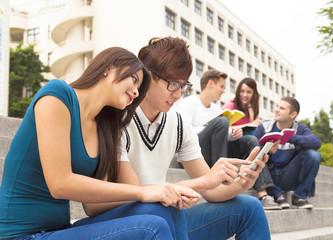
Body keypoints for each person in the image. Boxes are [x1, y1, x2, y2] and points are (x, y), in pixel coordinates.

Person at [0, 47, 201, 240]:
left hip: (60, 230)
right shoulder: (58, 95)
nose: (137, 92)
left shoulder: (105, 129)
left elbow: (94, 205)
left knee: (165, 209)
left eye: (140, 88)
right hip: (21, 234)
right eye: (134, 79)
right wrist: (142, 191)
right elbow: (59, 184)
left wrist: (160, 193)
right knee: (151, 228)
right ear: (109, 68)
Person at [118, 37, 271, 240]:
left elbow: (212, 191)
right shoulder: (120, 119)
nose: (178, 94)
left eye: (184, 86)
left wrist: (242, 183)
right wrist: (199, 183)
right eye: (173, 84)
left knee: (249, 206)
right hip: (128, 221)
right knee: (166, 212)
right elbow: (123, 196)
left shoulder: (178, 123)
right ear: (147, 76)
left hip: (165, 218)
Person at [222, 78, 281, 210]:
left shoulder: (250, 109)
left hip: (244, 149)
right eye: (242, 91)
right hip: (228, 147)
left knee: (259, 147)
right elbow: (220, 128)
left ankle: (272, 192)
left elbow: (254, 128)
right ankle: (264, 194)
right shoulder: (229, 106)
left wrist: (252, 114)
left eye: (249, 92)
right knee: (253, 143)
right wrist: (250, 124)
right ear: (237, 91)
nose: (245, 94)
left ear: (254, 94)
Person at [253, 96, 322, 209]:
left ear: (293, 115)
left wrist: (291, 137)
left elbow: (317, 142)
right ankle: (276, 194)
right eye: (277, 106)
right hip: (267, 176)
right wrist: (267, 151)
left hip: (288, 175)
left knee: (314, 155)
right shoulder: (264, 127)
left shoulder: (299, 129)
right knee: (254, 149)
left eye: (282, 108)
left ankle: (299, 196)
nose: (276, 109)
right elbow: (250, 150)